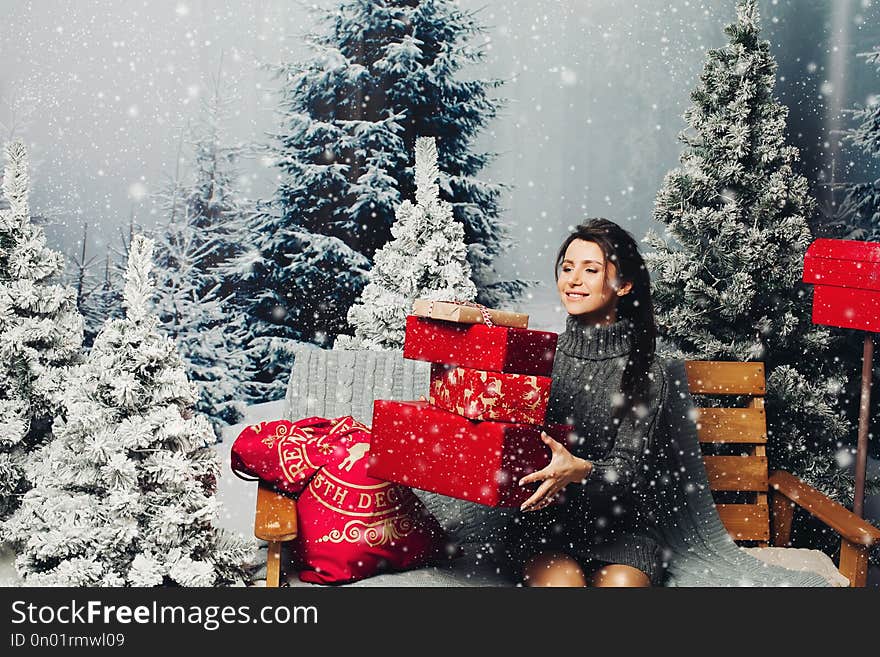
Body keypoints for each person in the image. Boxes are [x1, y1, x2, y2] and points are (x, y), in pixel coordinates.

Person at [504, 218, 669, 587]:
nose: (573, 280)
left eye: (591, 269)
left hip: (622, 527)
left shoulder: (647, 370)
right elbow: (509, 435)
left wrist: (580, 470)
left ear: (623, 285)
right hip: (545, 523)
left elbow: (630, 471)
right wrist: (456, 412)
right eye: (567, 267)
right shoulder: (538, 357)